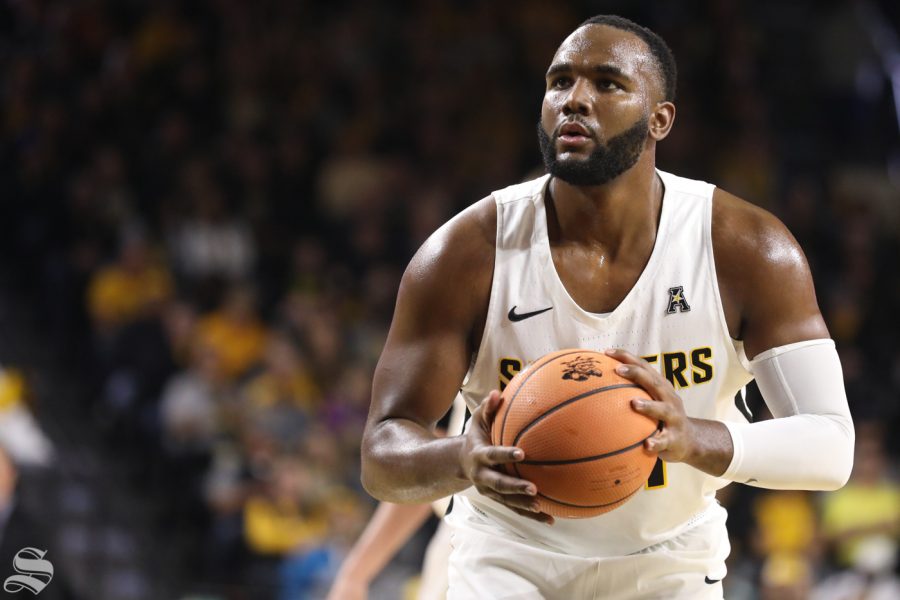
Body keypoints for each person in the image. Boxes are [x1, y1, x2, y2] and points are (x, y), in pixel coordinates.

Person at [361, 14, 855, 600]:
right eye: (559, 81)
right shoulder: (465, 254)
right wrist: (459, 457)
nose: (574, 100)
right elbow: (381, 454)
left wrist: (696, 437)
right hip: (508, 556)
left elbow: (830, 446)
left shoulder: (748, 249)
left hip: (670, 558)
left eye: (607, 83)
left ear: (660, 119)